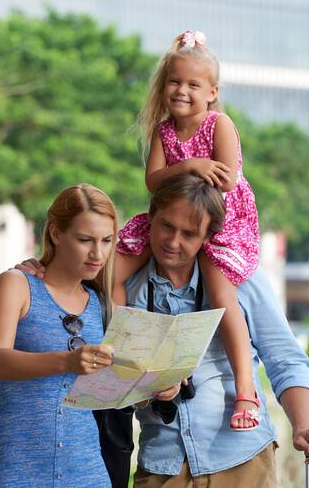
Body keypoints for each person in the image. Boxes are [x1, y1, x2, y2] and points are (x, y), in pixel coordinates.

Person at [19, 174, 309, 486]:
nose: (173, 242)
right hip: (161, 464)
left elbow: (286, 360)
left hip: (242, 459)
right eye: (167, 226)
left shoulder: (244, 281)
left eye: (189, 234)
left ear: (208, 236)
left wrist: (303, 424)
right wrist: (38, 270)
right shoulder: (118, 285)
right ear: (150, 217)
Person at [115, 29, 261, 432]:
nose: (181, 91)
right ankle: (126, 358)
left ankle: (246, 389)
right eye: (174, 83)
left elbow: (227, 180)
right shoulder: (163, 131)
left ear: (212, 92)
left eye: (193, 85)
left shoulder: (220, 124)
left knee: (218, 291)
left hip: (218, 219)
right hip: (172, 210)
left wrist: (195, 171)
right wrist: (189, 167)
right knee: (114, 273)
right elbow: (153, 180)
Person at [0, 183, 118, 487]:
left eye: (107, 240)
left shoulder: (100, 304)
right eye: (85, 240)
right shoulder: (17, 284)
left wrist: (155, 388)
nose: (98, 253)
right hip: (19, 469)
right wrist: (66, 362)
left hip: (88, 472)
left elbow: (107, 389)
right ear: (56, 234)